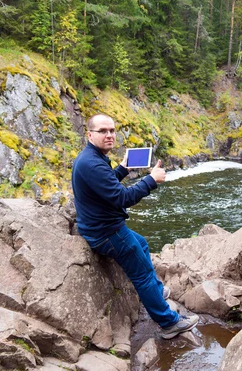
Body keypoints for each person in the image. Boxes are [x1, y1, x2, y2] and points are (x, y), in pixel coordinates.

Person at [71, 114, 199, 339]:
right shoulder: (92, 163)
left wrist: (122, 169)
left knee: (142, 243)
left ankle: (157, 293)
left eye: (112, 130)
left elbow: (104, 185)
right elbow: (122, 198)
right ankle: (169, 323)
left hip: (99, 227)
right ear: (90, 134)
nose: (109, 135)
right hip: (107, 233)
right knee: (143, 277)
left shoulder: (92, 157)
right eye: (103, 131)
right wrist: (151, 180)